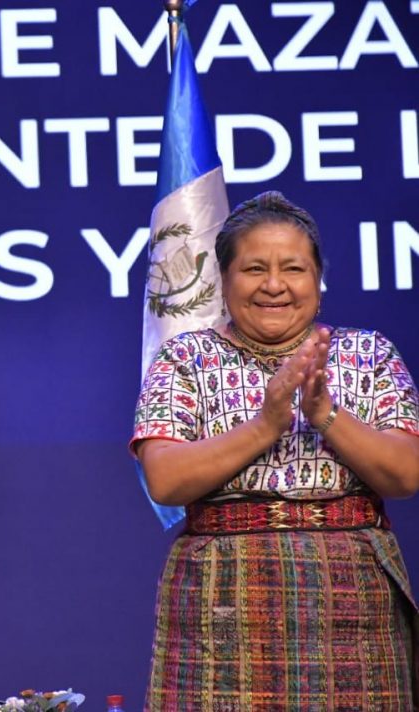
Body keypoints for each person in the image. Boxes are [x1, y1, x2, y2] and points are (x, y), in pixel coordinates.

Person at [131, 191, 419, 710]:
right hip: (223, 605)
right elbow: (165, 480)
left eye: (293, 268)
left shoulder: (369, 353)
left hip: (355, 606)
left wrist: (324, 412)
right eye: (254, 269)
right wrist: (266, 424)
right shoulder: (185, 358)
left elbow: (404, 475)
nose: (273, 285)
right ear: (224, 281)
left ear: (318, 280)